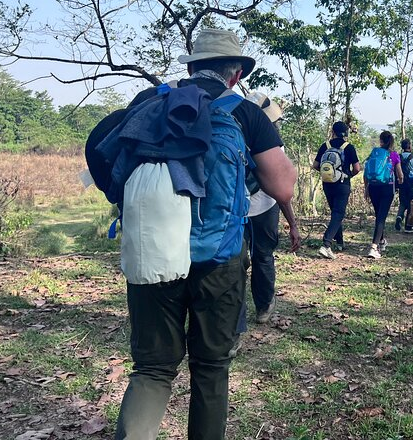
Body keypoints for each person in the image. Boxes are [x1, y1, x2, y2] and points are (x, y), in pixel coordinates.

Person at [115, 28, 297, 440]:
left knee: (153, 370)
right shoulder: (245, 111)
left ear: (192, 66)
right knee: (211, 369)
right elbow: (283, 187)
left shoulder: (150, 101)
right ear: (235, 75)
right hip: (218, 258)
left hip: (153, 254)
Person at [231, 93, 301, 355]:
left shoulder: (228, 130)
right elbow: (281, 190)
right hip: (265, 208)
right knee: (263, 256)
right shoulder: (271, 142)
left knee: (234, 265)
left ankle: (234, 327)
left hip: (234, 209)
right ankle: (263, 308)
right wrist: (292, 223)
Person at [312, 121, 360, 259]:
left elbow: (315, 165)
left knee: (335, 213)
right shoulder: (349, 147)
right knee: (338, 213)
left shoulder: (325, 146)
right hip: (343, 184)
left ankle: (339, 242)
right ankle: (326, 245)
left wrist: (327, 173)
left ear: (332, 132)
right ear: (346, 133)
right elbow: (357, 168)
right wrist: (348, 175)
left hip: (328, 184)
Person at [363, 130, 403, 259]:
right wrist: (400, 182)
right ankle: (374, 248)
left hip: (373, 187)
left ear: (380, 141)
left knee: (378, 215)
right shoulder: (394, 155)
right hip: (387, 188)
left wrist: (366, 188)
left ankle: (381, 241)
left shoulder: (374, 153)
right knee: (381, 218)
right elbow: (400, 175)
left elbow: (366, 171)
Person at [395, 138, 413, 233]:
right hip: (412, 185)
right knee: (411, 204)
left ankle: (399, 216)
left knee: (403, 202)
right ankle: (408, 227)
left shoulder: (398, 157)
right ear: (409, 146)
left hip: (401, 183)